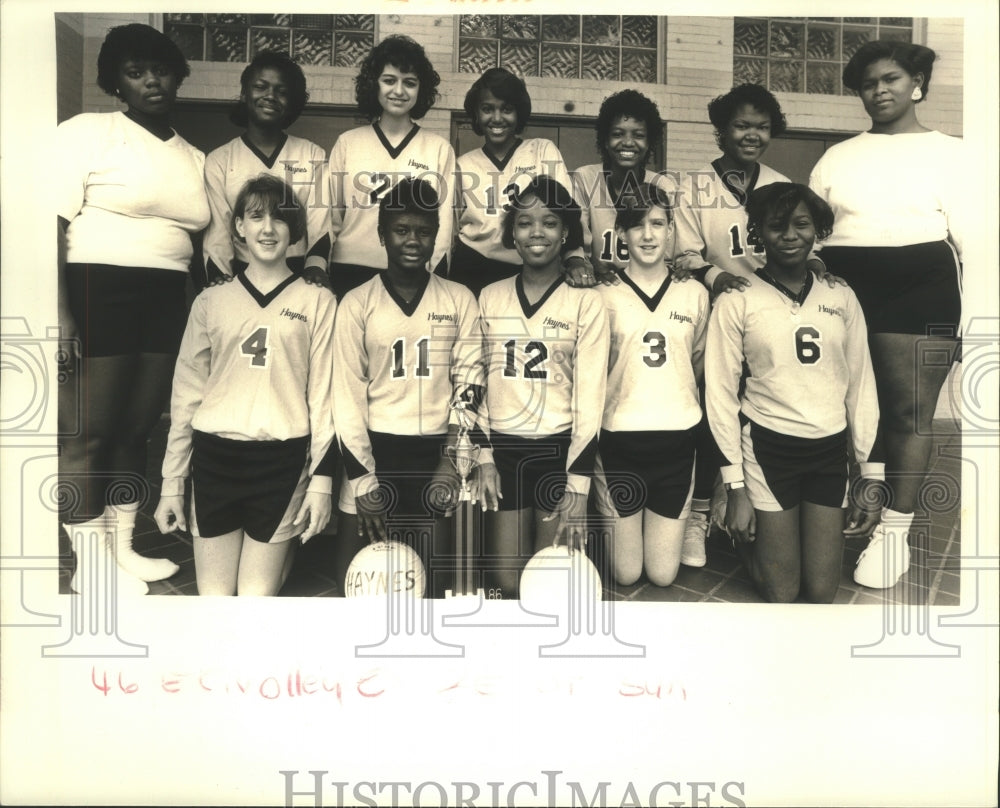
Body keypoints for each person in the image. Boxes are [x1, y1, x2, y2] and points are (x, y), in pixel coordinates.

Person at [56, 23, 211, 595]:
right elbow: (49, 221)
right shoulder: (89, 131)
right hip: (98, 288)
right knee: (88, 434)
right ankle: (90, 566)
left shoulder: (193, 155)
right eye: (135, 71)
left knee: (137, 430)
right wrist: (62, 314)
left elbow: (199, 244)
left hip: (166, 295)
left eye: (161, 69)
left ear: (177, 75)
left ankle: (120, 551)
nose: (151, 80)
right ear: (115, 81)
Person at [809, 41, 965, 590]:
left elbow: (978, 244)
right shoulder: (837, 157)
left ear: (917, 82)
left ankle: (894, 529)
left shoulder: (955, 153)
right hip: (846, 283)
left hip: (921, 282)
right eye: (868, 83)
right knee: (847, 401)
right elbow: (812, 234)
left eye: (891, 79)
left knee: (907, 410)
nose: (879, 90)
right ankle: (861, 502)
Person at [671, 83, 832, 568]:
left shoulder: (782, 182)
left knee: (757, 413)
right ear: (721, 130)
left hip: (773, 317)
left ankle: (738, 503)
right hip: (719, 311)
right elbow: (684, 253)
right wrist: (718, 278)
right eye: (742, 125)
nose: (751, 135)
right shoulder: (694, 184)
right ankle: (700, 515)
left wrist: (820, 271)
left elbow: (809, 246)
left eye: (761, 127)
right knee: (709, 416)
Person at [153, 176, 337, 596]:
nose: (268, 228)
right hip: (215, 458)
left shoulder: (318, 301)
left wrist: (321, 483)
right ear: (238, 227)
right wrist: (172, 485)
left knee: (255, 599)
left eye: (280, 218)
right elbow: (186, 398)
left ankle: (280, 554)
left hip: (282, 460)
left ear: (296, 230)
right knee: (216, 600)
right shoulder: (210, 301)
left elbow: (325, 396)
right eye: (255, 216)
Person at [705, 183, 881, 603]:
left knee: (821, 594)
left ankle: (778, 534)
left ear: (817, 231)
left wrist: (871, 477)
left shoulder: (841, 295)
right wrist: (734, 488)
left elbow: (861, 386)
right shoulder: (738, 299)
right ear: (758, 233)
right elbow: (720, 395)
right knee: (782, 594)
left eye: (801, 225)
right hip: (768, 448)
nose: (789, 235)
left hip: (827, 450)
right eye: (776, 226)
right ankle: (741, 534)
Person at [332, 178, 487, 597]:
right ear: (382, 234)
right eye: (402, 230)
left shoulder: (459, 299)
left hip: (434, 451)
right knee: (357, 582)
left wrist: (453, 462)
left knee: (429, 584)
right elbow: (345, 396)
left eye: (423, 231)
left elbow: (469, 384)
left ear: (436, 236)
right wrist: (364, 484)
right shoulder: (357, 302)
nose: (413, 241)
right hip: (375, 451)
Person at [478, 176, 609, 598]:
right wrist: (483, 455)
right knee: (506, 580)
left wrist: (578, 487)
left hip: (557, 450)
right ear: (511, 234)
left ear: (567, 232)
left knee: (546, 581)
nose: (537, 232)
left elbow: (590, 399)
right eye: (525, 223)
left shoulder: (586, 301)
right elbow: (476, 380)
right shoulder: (490, 296)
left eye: (549, 222)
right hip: (504, 450)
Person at [595, 184, 709, 588]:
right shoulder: (601, 294)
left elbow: (697, 364)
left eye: (658, 223)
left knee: (662, 575)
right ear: (621, 234)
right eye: (637, 225)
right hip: (619, 440)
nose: (648, 235)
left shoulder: (695, 293)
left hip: (676, 442)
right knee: (626, 574)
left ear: (671, 229)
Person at [327, 35, 455, 299]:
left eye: (409, 83)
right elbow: (330, 216)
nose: (399, 91)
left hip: (413, 272)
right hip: (351, 269)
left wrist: (437, 275)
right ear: (374, 84)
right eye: (389, 80)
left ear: (421, 90)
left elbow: (443, 223)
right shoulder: (348, 143)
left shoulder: (438, 148)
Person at [453, 67, 589, 296]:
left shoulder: (541, 150)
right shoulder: (462, 164)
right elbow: (449, 229)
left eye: (507, 109)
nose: (497, 118)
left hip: (532, 266)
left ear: (519, 113)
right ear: (476, 114)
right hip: (473, 270)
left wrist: (575, 258)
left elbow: (568, 213)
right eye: (487, 109)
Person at [202, 51, 330, 282]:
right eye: (261, 87)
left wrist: (316, 267)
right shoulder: (220, 160)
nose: (270, 96)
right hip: (243, 274)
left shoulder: (312, 154)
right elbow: (218, 233)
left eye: (282, 92)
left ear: (291, 103)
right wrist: (220, 277)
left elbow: (320, 224)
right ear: (243, 94)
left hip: (300, 274)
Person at [572, 89, 673, 286]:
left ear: (649, 142)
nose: (627, 142)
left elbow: (669, 254)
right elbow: (578, 246)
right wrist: (587, 267)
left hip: (649, 285)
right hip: (600, 286)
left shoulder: (663, 186)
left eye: (638, 135)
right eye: (618, 134)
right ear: (605, 141)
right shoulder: (585, 178)